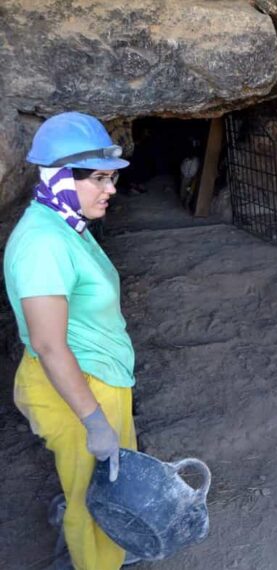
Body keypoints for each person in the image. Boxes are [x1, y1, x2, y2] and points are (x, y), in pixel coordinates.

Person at [5, 112, 138, 569]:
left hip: (99, 377)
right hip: (78, 389)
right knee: (91, 499)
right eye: (99, 178)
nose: (111, 189)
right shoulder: (44, 244)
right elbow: (49, 345)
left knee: (107, 489)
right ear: (62, 177)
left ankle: (111, 554)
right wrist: (94, 421)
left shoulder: (65, 226)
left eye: (110, 178)